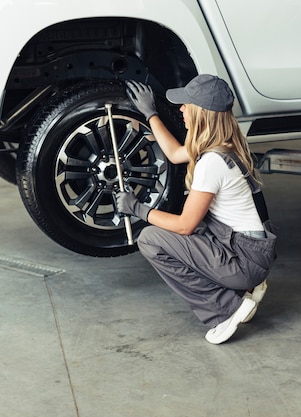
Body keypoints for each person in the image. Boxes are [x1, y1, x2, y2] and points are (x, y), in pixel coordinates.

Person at [117, 74, 277, 344]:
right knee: (197, 230)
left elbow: (184, 225)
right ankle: (247, 288)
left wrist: (138, 209)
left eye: (186, 105)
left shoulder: (211, 162)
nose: (181, 110)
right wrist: (151, 113)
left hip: (244, 260)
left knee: (151, 239)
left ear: (201, 113)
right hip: (252, 250)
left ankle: (225, 308)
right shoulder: (226, 144)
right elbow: (175, 154)